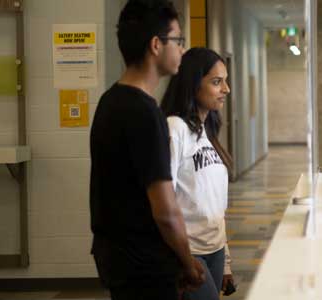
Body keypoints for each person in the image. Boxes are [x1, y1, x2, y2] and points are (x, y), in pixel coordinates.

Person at [89, 1, 204, 298]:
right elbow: (165, 210)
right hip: (145, 265)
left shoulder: (109, 101)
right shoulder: (145, 112)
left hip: (117, 259)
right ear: (156, 45)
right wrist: (187, 262)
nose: (182, 49)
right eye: (178, 40)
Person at [161, 47, 237, 299]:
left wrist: (225, 262)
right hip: (188, 252)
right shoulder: (175, 128)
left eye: (225, 81)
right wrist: (182, 258)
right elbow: (164, 199)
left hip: (214, 250)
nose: (226, 89)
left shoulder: (207, 133)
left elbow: (216, 205)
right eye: (217, 82)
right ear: (193, 85)